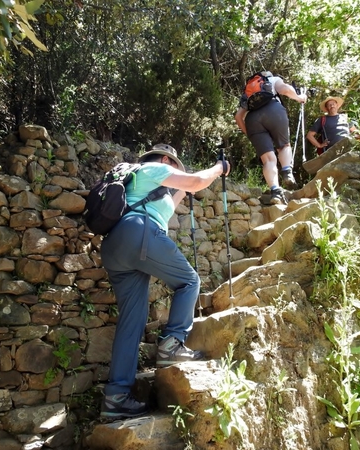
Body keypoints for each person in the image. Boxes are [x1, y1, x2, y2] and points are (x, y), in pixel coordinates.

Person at [99, 143, 230, 419]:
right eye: (174, 165)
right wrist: (219, 168)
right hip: (139, 234)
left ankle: (116, 398)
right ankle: (172, 345)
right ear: (164, 160)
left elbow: (186, 189)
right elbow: (195, 181)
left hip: (115, 246)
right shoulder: (153, 168)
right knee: (188, 282)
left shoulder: (143, 186)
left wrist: (191, 184)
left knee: (132, 322)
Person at [234, 71, 307, 203]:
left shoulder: (248, 92)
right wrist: (299, 97)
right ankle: (286, 172)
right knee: (284, 145)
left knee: (268, 160)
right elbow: (285, 89)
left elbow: (238, 116)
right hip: (273, 110)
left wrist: (249, 133)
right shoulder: (272, 79)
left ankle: (275, 192)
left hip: (252, 120)